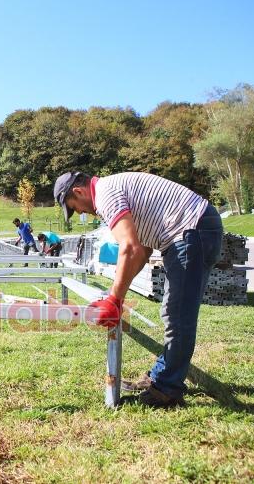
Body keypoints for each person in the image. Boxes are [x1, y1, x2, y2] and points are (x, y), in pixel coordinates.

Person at [54, 171, 222, 408]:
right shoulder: (114, 192)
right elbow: (142, 251)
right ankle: (161, 377)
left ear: (79, 192)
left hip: (192, 231)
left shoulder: (105, 196)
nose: (80, 212)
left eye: (75, 207)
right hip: (194, 230)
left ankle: (167, 390)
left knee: (178, 314)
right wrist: (117, 295)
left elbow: (129, 247)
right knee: (175, 313)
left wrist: (114, 299)